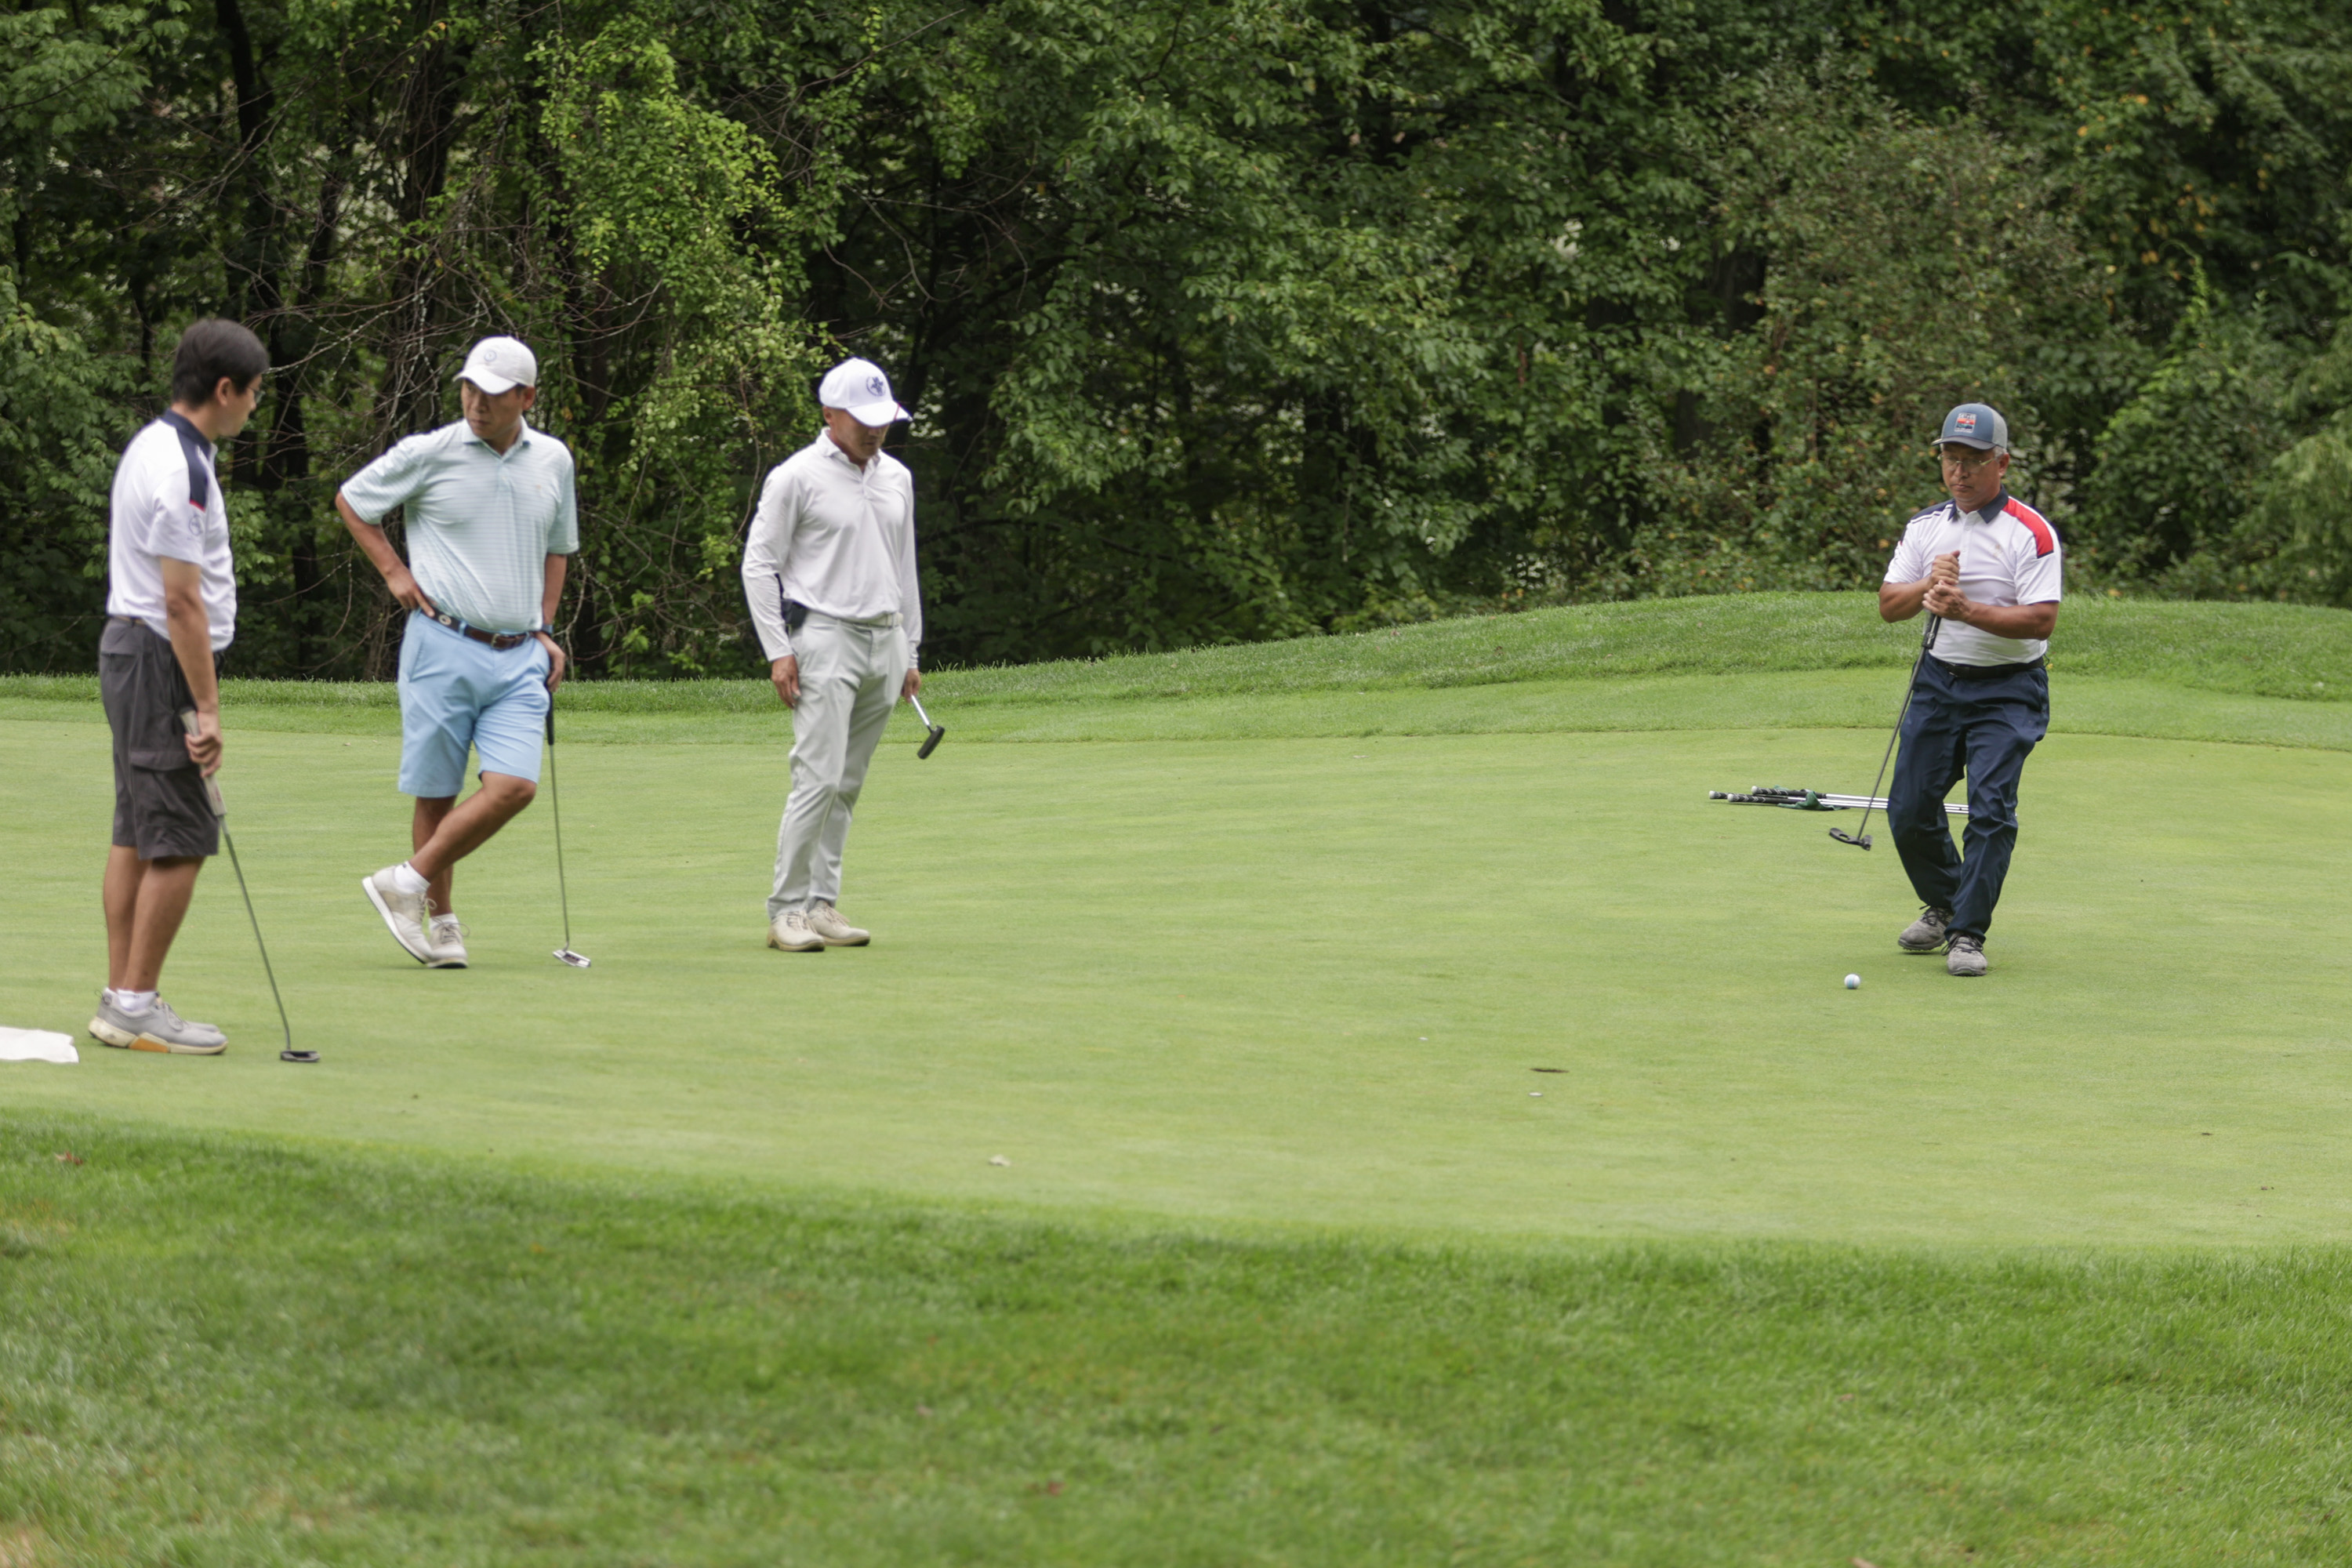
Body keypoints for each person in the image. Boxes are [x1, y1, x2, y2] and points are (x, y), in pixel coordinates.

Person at [336, 335, 577, 967]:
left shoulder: (553, 460)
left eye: (493, 394)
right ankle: (441, 922)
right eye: (469, 388)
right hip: (442, 643)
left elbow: (558, 547)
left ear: (526, 398)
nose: (477, 403)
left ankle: (405, 882)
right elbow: (353, 501)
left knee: (514, 787)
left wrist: (544, 626)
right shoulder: (430, 452)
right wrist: (393, 572)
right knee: (437, 792)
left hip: (520, 654)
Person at [88, 319, 268, 1054]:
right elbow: (182, 601)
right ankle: (135, 1002)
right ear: (224, 389)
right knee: (182, 835)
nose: (254, 406)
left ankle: (122, 996)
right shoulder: (184, 469)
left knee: (136, 830)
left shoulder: (154, 443)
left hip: (131, 651)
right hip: (158, 658)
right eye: (253, 393)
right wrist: (210, 708)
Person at [740, 357, 924, 952]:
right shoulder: (796, 476)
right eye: (863, 418)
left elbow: (904, 567)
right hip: (824, 637)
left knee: (847, 783)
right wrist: (778, 649)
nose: (876, 429)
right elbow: (758, 565)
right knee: (817, 778)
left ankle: (821, 904)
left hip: (885, 640)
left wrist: (911, 649)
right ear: (830, 414)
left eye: (883, 418)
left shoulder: (897, 477)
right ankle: (785, 911)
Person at [1878, 402, 2062, 977]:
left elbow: (2041, 621)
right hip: (1938, 682)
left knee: (1990, 811)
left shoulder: (2030, 532)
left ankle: (1967, 934)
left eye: (1973, 460)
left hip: (2008, 691)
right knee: (1909, 808)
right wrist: (1928, 585)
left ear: (2001, 464)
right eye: (1950, 458)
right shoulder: (1925, 527)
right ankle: (1947, 901)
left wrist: (1965, 610)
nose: (1959, 471)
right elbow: (1889, 606)